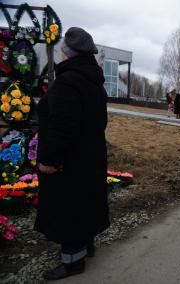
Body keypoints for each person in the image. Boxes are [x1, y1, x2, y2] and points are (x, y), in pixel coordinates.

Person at [34, 27, 110, 280]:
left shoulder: (68, 81)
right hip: (90, 155)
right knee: (85, 201)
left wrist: (49, 160)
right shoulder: (94, 81)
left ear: (67, 53)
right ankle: (86, 244)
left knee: (68, 207)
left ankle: (72, 260)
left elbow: (62, 126)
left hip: (69, 160)